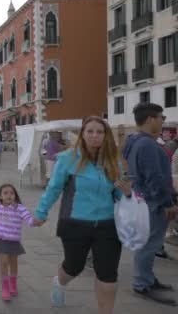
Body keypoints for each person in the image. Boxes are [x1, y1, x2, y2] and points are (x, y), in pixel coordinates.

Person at [33, 116, 131, 313]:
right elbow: (53, 189)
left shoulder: (114, 163)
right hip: (75, 223)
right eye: (90, 131)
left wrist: (127, 192)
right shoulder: (68, 159)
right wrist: (40, 212)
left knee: (108, 275)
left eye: (100, 132)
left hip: (108, 225)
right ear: (83, 135)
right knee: (74, 266)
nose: (95, 136)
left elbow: (119, 195)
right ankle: (59, 282)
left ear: (106, 135)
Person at [122, 102, 178, 306]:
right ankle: (142, 284)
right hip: (153, 203)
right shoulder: (147, 144)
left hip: (144, 201)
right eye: (161, 118)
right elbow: (155, 177)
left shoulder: (134, 140)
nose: (163, 121)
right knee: (149, 245)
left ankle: (147, 278)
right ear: (150, 120)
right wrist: (167, 202)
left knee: (148, 243)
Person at [0, 183, 35, 301]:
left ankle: (13, 284)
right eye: (6, 193)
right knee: (4, 262)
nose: (9, 195)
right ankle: (5, 287)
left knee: (13, 262)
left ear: (15, 196)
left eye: (12, 193)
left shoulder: (19, 208)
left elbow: (29, 219)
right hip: (1, 239)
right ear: (0, 196)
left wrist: (37, 221)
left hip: (14, 240)